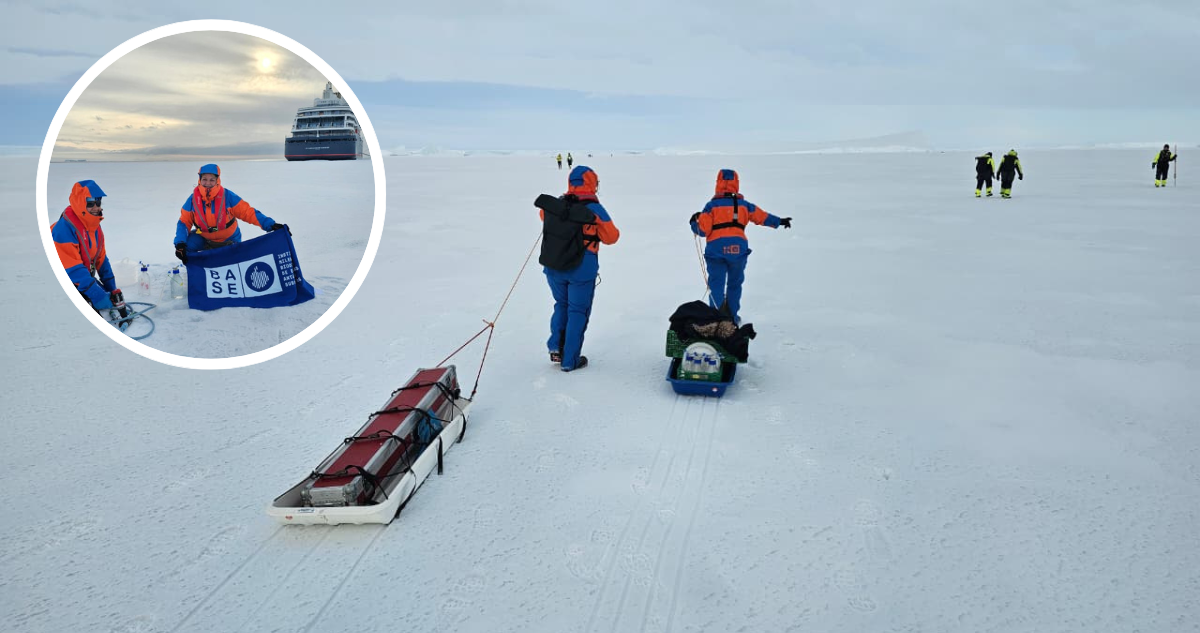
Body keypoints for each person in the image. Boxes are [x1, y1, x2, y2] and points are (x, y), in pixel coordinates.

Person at [537, 166, 620, 372]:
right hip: (581, 270)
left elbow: (542, 215)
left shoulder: (557, 204)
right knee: (577, 311)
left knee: (561, 305)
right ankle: (570, 360)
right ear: (592, 183)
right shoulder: (595, 209)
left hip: (554, 266)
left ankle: (556, 346)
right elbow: (612, 237)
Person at [689, 169, 790, 324]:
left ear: (718, 183)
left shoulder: (711, 206)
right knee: (735, 284)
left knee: (716, 284)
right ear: (736, 184)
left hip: (716, 251)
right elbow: (762, 217)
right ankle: (732, 318)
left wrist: (693, 224)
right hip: (738, 250)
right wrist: (780, 221)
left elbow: (703, 230)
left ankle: (715, 320)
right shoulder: (744, 205)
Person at [173, 164, 284, 263]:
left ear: (218, 180)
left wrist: (270, 224)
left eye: (212, 180)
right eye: (204, 179)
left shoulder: (228, 197)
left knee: (229, 263)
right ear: (199, 180)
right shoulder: (192, 200)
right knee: (186, 248)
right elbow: (184, 222)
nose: (208, 183)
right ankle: (198, 274)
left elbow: (248, 213)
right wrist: (180, 243)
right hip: (205, 238)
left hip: (229, 239)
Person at [50, 180, 127, 317]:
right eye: (90, 202)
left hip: (78, 276)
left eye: (98, 202)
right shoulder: (63, 230)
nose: (96, 207)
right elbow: (72, 268)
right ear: (80, 203)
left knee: (105, 296)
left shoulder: (93, 225)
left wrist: (112, 289)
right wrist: (96, 294)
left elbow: (101, 260)